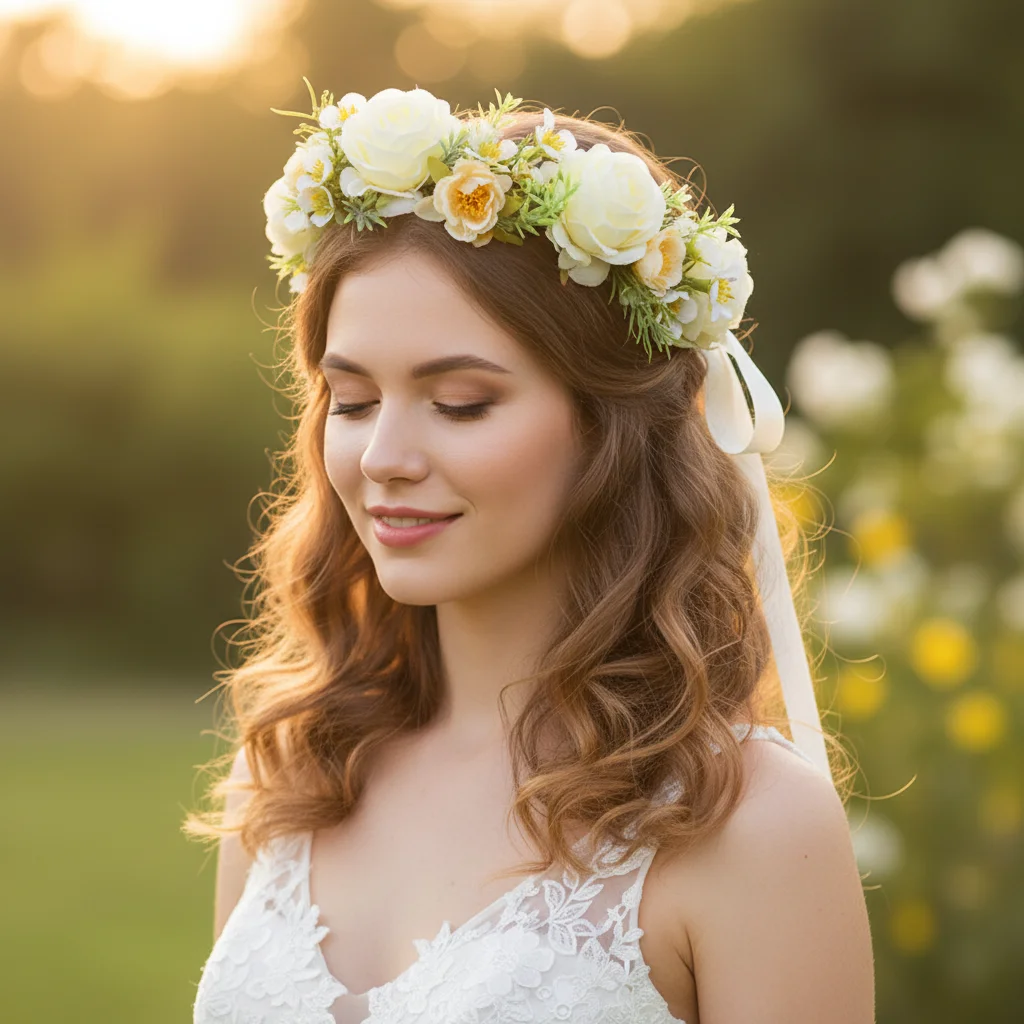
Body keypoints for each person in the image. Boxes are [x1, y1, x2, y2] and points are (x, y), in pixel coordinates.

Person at [186, 86, 875, 1024]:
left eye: (461, 403)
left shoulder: (750, 825)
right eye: (351, 402)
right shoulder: (296, 771)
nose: (384, 457)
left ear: (611, 427)